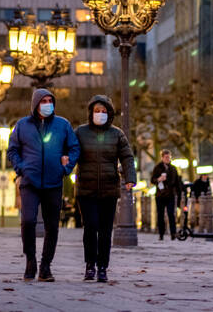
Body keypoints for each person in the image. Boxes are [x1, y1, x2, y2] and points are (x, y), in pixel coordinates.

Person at [8, 88, 80, 282]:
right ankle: (30, 260)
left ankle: (46, 265)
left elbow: (74, 148)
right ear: (35, 104)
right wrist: (20, 168)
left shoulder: (62, 124)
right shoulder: (22, 125)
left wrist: (66, 169)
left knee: (52, 226)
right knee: (28, 221)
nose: (48, 104)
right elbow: (12, 150)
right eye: (44, 101)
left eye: (50, 100)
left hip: (53, 183)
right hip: (29, 182)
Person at [74, 95, 136, 283]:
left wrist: (129, 178)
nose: (100, 114)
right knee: (90, 227)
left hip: (109, 189)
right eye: (96, 111)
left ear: (109, 113)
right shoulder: (80, 132)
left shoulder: (117, 134)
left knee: (106, 229)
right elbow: (70, 152)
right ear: (90, 113)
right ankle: (89, 265)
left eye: (103, 111)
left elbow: (127, 157)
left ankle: (103, 267)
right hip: (86, 188)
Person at [150, 149, 183, 240]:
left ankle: (173, 233)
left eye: (169, 157)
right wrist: (159, 179)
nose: (168, 159)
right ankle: (161, 234)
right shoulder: (157, 168)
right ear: (162, 157)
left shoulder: (173, 168)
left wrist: (179, 194)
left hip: (170, 195)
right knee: (160, 215)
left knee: (171, 214)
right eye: (166, 157)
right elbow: (152, 180)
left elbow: (177, 183)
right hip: (160, 195)